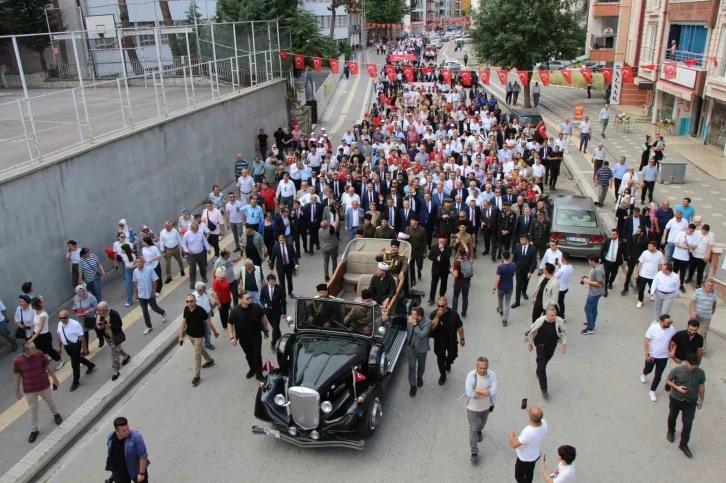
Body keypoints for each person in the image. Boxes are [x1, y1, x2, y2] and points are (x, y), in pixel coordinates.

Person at [14, 341, 62, 443]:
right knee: (33, 409)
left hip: (43, 385)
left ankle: (56, 414)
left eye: (35, 347)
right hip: (30, 390)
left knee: (50, 401)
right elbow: (17, 376)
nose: (36, 350)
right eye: (33, 349)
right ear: (26, 351)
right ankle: (34, 430)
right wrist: (17, 390)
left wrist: (55, 378)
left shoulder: (40, 354)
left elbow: (48, 366)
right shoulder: (18, 361)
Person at [665, 353, 705, 458]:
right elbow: (668, 380)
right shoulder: (677, 370)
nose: (693, 367)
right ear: (686, 362)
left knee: (688, 424)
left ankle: (683, 444)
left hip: (691, 401)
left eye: (695, 365)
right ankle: (671, 431)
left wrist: (701, 399)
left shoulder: (700, 373)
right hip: (676, 399)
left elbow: (701, 385)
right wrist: (677, 388)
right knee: (672, 416)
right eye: (692, 365)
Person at [227, 291, 270, 381]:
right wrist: (232, 337)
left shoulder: (256, 307)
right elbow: (230, 323)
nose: (250, 299)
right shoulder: (235, 311)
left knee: (257, 354)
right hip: (243, 337)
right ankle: (252, 369)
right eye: (247, 298)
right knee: (248, 355)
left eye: (250, 297)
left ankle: (259, 373)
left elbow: (263, 318)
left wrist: (266, 331)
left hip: (256, 336)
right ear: (241, 299)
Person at [526, 306, 567, 399]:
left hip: (551, 347)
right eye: (552, 315)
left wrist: (564, 344)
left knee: (544, 362)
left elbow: (563, 332)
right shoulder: (540, 321)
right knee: (542, 367)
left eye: (555, 315)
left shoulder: (559, 321)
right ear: (547, 315)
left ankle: (539, 370)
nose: (554, 317)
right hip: (541, 346)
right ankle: (544, 389)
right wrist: (529, 343)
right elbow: (532, 331)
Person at [178, 294, 218, 386]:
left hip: (198, 336)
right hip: (190, 335)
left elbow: (208, 322)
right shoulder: (186, 309)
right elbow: (183, 322)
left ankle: (197, 376)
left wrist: (215, 332)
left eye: (191, 301)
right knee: (200, 349)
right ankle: (210, 360)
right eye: (187, 301)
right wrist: (180, 335)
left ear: (195, 301)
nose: (189, 303)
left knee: (197, 355)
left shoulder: (201, 311)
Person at [464, 356, 498, 463]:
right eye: (480, 368)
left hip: (486, 406)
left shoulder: (492, 375)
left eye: (485, 368)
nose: (482, 370)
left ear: (487, 367)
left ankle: (480, 430)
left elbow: (493, 391)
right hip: (472, 408)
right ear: (476, 367)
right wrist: (484, 392)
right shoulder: (471, 376)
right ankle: (474, 452)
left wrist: (477, 391)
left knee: (482, 424)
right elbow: (469, 393)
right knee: (473, 429)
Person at [429, 297, 465, 386]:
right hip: (439, 341)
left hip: (451, 339)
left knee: (453, 355)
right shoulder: (434, 314)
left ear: (446, 305)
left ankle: (448, 361)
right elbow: (431, 327)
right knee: (440, 359)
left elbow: (459, 327)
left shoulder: (454, 314)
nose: (440, 308)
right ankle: (443, 375)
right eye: (438, 306)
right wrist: (438, 316)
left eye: (442, 306)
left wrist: (462, 338)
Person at [56, 311, 95, 391]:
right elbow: (60, 335)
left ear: (68, 316)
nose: (63, 320)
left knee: (74, 364)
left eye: (64, 318)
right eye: (61, 318)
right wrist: (59, 346)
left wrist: (85, 348)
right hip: (67, 346)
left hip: (75, 346)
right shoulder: (60, 324)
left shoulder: (75, 324)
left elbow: (82, 336)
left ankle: (76, 381)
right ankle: (90, 365)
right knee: (77, 358)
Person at [641, 314, 676, 402]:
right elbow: (646, 341)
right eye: (668, 322)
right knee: (648, 369)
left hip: (663, 357)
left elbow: (674, 342)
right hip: (652, 356)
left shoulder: (671, 329)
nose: (670, 324)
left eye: (670, 322)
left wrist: (672, 351)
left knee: (658, 375)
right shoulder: (653, 328)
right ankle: (644, 373)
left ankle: (652, 390)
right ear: (661, 322)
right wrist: (647, 354)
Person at [509, 405, 548, 483]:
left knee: (519, 476)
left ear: (530, 417)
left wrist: (511, 436)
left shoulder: (529, 432)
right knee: (529, 471)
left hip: (525, 458)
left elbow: (514, 444)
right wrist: (529, 410)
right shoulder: (544, 423)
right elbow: (536, 417)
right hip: (534, 455)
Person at [106, 417, 150, 483]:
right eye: (123, 430)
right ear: (116, 430)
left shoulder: (136, 437)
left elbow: (143, 456)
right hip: (120, 473)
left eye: (127, 428)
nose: (127, 431)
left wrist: (141, 473)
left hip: (136, 470)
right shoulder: (111, 436)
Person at [96, 302, 131, 381]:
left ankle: (115, 371)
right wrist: (99, 327)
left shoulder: (113, 314)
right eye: (100, 311)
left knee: (114, 353)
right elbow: (97, 325)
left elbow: (119, 325)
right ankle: (126, 356)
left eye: (103, 310)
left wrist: (110, 325)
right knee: (116, 349)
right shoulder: (99, 315)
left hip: (115, 336)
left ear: (107, 308)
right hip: (107, 337)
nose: (102, 313)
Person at [132, 258, 167, 335]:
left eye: (140, 261)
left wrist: (153, 292)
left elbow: (155, 280)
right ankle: (149, 326)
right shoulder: (135, 271)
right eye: (137, 262)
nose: (138, 263)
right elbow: (135, 283)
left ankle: (163, 312)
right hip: (141, 294)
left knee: (154, 307)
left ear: (143, 262)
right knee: (144, 311)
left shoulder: (149, 269)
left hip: (150, 293)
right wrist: (136, 293)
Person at [27, 298, 64, 370]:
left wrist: (32, 338)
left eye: (33, 305)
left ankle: (60, 360)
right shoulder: (35, 311)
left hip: (44, 335)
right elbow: (36, 322)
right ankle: (46, 362)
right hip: (37, 334)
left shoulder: (43, 315)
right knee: (41, 350)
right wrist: (31, 325)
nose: (32, 307)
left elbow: (40, 328)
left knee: (49, 350)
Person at [405, 306, 431, 397]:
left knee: (421, 366)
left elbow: (422, 334)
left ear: (419, 316)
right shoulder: (410, 319)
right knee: (411, 366)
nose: (411, 315)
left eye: (414, 314)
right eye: (411, 313)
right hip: (410, 348)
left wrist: (415, 324)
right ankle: (413, 386)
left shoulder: (427, 322)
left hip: (421, 349)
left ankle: (419, 377)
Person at [182, 222, 212, 290]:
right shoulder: (187, 234)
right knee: (192, 270)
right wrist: (187, 251)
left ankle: (204, 277)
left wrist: (208, 249)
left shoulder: (200, 233)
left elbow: (204, 241)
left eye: (198, 227)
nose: (198, 229)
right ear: (192, 228)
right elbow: (184, 244)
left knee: (202, 267)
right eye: (196, 228)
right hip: (192, 255)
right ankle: (192, 282)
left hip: (200, 253)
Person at [581, 253, 605, 335]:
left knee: (587, 308)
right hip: (596, 292)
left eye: (589, 261)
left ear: (593, 261)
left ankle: (590, 328)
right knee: (593, 308)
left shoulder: (597, 270)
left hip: (594, 293)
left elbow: (599, 283)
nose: (588, 262)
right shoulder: (598, 267)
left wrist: (587, 281)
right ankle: (592, 323)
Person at [690, 279, 717, 351]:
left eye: (711, 285)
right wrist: (692, 312)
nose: (710, 287)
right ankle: (688, 344)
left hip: (707, 317)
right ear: (705, 284)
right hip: (696, 315)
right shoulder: (698, 291)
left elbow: (714, 303)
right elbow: (692, 302)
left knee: (703, 333)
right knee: (691, 330)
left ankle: (700, 349)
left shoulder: (714, 293)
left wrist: (713, 310)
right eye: (708, 285)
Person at [260, 274, 286, 349]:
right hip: (268, 311)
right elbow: (261, 299)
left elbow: (283, 301)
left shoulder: (279, 288)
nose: (273, 283)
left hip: (277, 311)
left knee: (275, 327)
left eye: (274, 281)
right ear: (268, 281)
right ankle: (279, 335)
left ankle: (273, 342)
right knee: (274, 326)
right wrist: (264, 304)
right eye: (272, 282)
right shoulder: (264, 288)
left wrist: (284, 312)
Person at [511, 234, 537, 308]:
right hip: (518, 269)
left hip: (527, 270)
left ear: (527, 240)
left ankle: (524, 292)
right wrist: (513, 268)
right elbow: (514, 258)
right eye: (520, 239)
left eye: (523, 239)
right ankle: (517, 301)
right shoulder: (518, 246)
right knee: (518, 285)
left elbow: (534, 261)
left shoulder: (532, 249)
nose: (521, 241)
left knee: (525, 282)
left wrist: (530, 271)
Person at [672, 223, 697, 292]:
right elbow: (676, 243)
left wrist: (689, 246)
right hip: (677, 256)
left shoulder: (693, 236)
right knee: (674, 271)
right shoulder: (680, 234)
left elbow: (695, 245)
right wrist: (683, 246)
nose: (691, 232)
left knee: (683, 272)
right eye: (690, 231)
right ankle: (672, 283)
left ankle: (681, 285)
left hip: (685, 257)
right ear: (687, 229)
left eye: (692, 231)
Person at [493, 250, 516, 327]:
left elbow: (497, 279)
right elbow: (513, 274)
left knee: (500, 299)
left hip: (501, 287)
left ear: (502, 257)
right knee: (507, 302)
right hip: (509, 287)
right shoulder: (513, 265)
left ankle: (500, 310)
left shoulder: (500, 267)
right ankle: (505, 319)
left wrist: (494, 288)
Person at [428, 234, 451, 305]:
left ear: (445, 241)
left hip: (444, 268)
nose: (441, 243)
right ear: (438, 240)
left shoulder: (448, 248)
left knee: (444, 283)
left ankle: (441, 296)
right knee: (433, 283)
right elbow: (430, 256)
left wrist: (441, 250)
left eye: (443, 242)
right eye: (440, 241)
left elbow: (447, 256)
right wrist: (436, 258)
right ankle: (432, 298)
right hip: (436, 268)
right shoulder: (434, 247)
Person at [600, 228, 624, 297]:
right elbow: (602, 250)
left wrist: (624, 260)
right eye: (611, 234)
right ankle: (605, 290)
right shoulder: (607, 241)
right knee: (606, 275)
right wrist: (600, 258)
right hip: (607, 261)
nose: (612, 236)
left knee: (614, 274)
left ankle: (610, 282)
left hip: (616, 262)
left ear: (617, 235)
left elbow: (624, 252)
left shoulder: (621, 242)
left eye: (614, 234)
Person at [406, 215, 428, 285]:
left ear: (417, 222)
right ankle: (413, 279)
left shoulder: (422, 230)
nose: (411, 222)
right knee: (411, 266)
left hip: (419, 250)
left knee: (419, 265)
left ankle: (419, 270)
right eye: (410, 220)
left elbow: (424, 242)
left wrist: (425, 252)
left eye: (412, 221)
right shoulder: (407, 229)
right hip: (411, 251)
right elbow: (405, 240)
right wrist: (406, 237)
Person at [451, 247, 472, 317]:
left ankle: (454, 313)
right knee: (465, 297)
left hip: (458, 282)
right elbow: (466, 247)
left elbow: (456, 275)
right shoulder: (468, 258)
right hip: (467, 281)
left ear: (458, 253)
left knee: (455, 297)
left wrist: (451, 270)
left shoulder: (457, 262)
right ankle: (464, 312)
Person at [319, 214, 340, 282]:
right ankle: (334, 274)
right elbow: (336, 221)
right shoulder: (331, 230)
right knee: (334, 260)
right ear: (327, 225)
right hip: (332, 247)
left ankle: (326, 275)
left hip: (324, 248)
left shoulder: (320, 230)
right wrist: (336, 213)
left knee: (326, 262)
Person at [211, 266, 233, 331]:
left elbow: (228, 289)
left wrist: (230, 297)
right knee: (223, 314)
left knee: (226, 312)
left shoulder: (224, 278)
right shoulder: (216, 281)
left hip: (227, 298)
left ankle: (228, 322)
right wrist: (219, 303)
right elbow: (215, 293)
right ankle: (225, 325)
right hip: (221, 300)